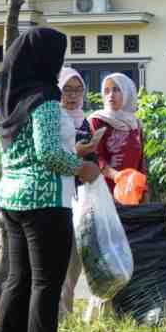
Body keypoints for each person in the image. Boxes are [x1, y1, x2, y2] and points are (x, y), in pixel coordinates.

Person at [0, 27, 100, 332]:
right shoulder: (46, 101)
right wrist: (83, 167)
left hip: (12, 199)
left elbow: (26, 151)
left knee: (17, 280)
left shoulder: (11, 100)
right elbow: (50, 155)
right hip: (44, 202)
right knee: (46, 283)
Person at [56, 67, 100, 317]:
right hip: (58, 197)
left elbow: (91, 162)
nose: (72, 95)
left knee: (74, 261)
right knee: (58, 260)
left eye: (77, 90)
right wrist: (77, 154)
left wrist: (91, 150)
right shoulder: (54, 119)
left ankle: (66, 313)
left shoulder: (84, 122)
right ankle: (58, 314)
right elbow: (56, 157)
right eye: (67, 89)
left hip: (80, 199)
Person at [89, 73, 146, 197]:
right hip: (105, 191)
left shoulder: (136, 124)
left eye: (116, 90)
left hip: (131, 191)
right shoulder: (98, 120)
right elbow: (95, 156)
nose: (111, 95)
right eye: (107, 90)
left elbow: (141, 162)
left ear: (127, 93)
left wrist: (143, 191)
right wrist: (117, 176)